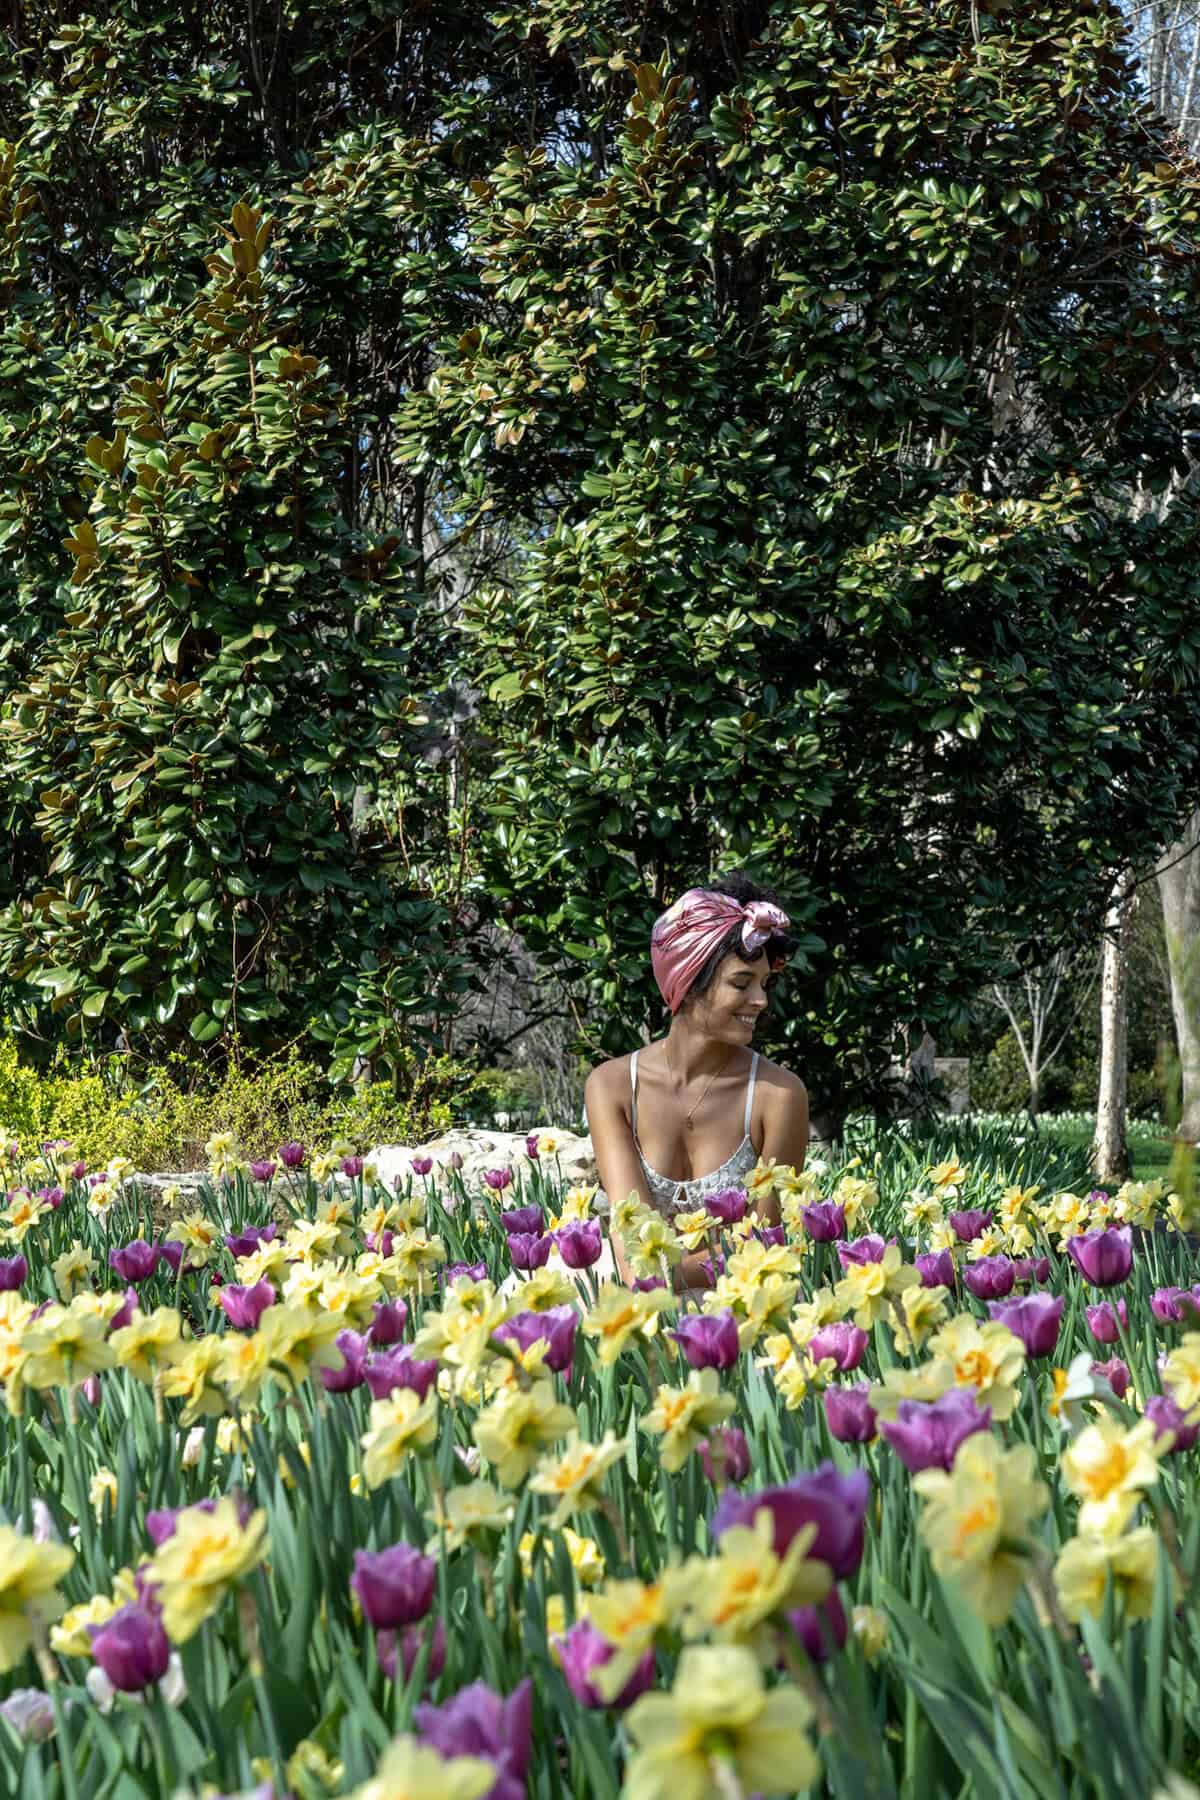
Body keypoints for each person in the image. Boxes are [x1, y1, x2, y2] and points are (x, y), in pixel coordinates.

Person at [585, 874, 809, 1290]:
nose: (760, 1000)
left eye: (765, 983)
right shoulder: (612, 1087)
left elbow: (767, 1244)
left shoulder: (777, 1095)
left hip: (740, 1301)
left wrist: (667, 1275)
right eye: (741, 983)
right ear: (687, 984)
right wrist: (653, 1279)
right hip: (634, 1296)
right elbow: (630, 1242)